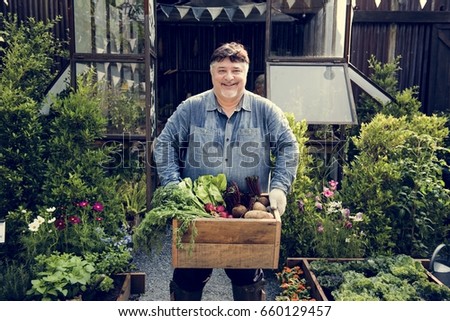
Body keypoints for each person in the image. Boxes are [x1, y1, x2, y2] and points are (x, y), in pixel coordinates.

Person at [153, 42, 299, 301]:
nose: (229, 77)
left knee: (247, 279)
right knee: (187, 277)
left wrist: (279, 187)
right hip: (197, 210)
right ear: (212, 73)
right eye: (222, 70)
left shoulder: (265, 110)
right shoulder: (191, 108)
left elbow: (289, 146)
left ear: (246, 73)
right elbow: (164, 143)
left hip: (247, 211)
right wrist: (172, 184)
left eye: (236, 70)